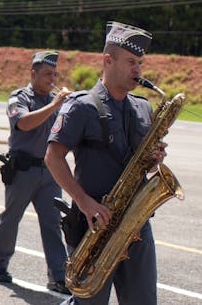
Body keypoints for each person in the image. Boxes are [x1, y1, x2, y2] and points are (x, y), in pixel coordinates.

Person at [45, 21, 162, 305]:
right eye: (131, 62)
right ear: (108, 61)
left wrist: (154, 160)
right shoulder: (81, 105)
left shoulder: (143, 107)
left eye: (140, 63)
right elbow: (53, 157)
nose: (138, 70)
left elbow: (144, 166)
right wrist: (83, 202)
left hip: (136, 226)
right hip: (94, 225)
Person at [0, 51, 70, 293]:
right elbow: (23, 123)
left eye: (54, 74)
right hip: (23, 170)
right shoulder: (20, 97)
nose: (51, 79)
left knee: (53, 223)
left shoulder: (56, 100)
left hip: (49, 172)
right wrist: (55, 106)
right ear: (33, 73)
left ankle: (58, 276)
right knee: (11, 219)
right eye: (47, 74)